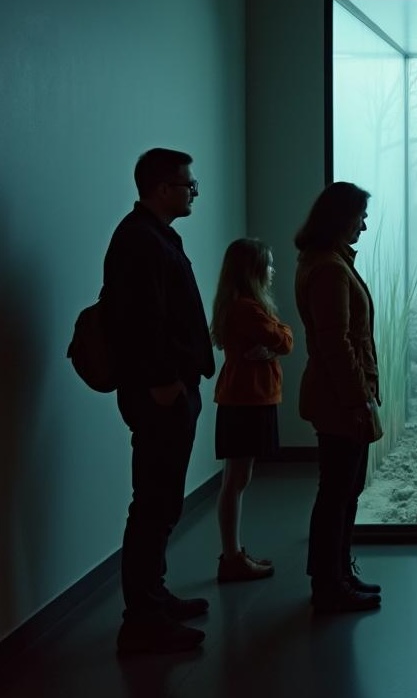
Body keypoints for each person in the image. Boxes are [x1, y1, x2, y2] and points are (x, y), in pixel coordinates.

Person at [104, 148, 215, 655]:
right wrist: (165, 383)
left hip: (168, 389)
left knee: (162, 499)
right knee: (152, 502)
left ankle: (154, 597)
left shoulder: (151, 235)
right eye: (188, 184)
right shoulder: (139, 240)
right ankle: (143, 618)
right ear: (162, 188)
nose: (194, 192)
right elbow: (139, 322)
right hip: (160, 394)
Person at [294, 182, 384, 613]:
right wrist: (358, 400)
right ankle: (329, 585)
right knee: (336, 493)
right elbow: (337, 343)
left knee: (341, 492)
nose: (364, 226)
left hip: (339, 396)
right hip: (341, 400)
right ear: (340, 217)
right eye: (359, 217)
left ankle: (338, 574)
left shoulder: (326, 261)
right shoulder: (329, 268)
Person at [210, 238, 293, 582]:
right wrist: (276, 344)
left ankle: (234, 553)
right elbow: (286, 340)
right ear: (253, 270)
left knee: (236, 479)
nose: (273, 271)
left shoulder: (242, 306)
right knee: (237, 480)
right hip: (247, 400)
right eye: (268, 264)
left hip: (242, 398)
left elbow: (279, 339)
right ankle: (232, 556)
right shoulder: (248, 308)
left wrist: (274, 344)